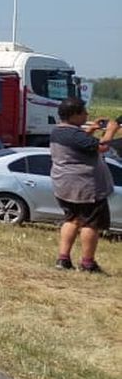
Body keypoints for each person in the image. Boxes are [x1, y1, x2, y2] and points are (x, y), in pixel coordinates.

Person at [50, 97, 119, 273]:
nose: (87, 114)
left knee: (71, 219)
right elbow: (102, 147)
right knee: (91, 224)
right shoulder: (75, 135)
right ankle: (88, 263)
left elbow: (79, 144)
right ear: (74, 115)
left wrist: (90, 130)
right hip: (85, 187)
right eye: (84, 112)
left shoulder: (59, 131)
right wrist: (111, 131)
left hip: (64, 185)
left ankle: (63, 259)